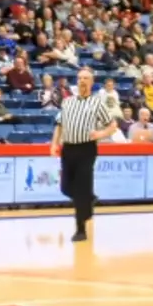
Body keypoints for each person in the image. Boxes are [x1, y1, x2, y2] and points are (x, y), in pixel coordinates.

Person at [50, 66, 117, 242]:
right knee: (65, 187)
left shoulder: (97, 102)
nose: (82, 81)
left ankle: (81, 229)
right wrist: (54, 144)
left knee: (80, 189)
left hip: (87, 148)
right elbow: (59, 125)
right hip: (68, 148)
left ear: (92, 82)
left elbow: (112, 126)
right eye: (80, 78)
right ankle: (89, 199)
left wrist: (100, 134)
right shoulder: (67, 102)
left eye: (86, 78)